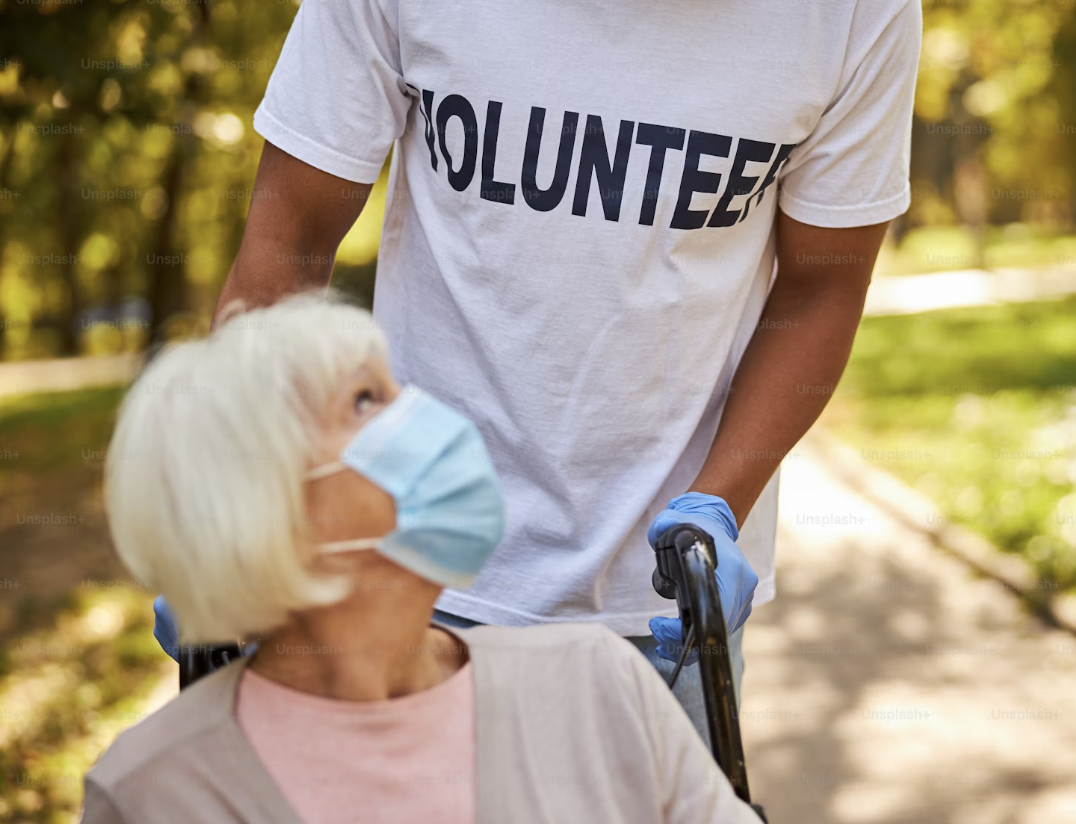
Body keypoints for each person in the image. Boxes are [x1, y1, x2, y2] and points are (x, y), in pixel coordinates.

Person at [160, 0, 923, 736]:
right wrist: (234, 500)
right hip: (391, 567)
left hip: (664, 618)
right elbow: (288, 245)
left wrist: (719, 506)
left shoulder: (857, 11)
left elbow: (820, 289)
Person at [83, 294, 760, 824]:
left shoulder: (597, 681)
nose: (419, 415)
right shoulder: (154, 792)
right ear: (262, 505)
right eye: (365, 399)